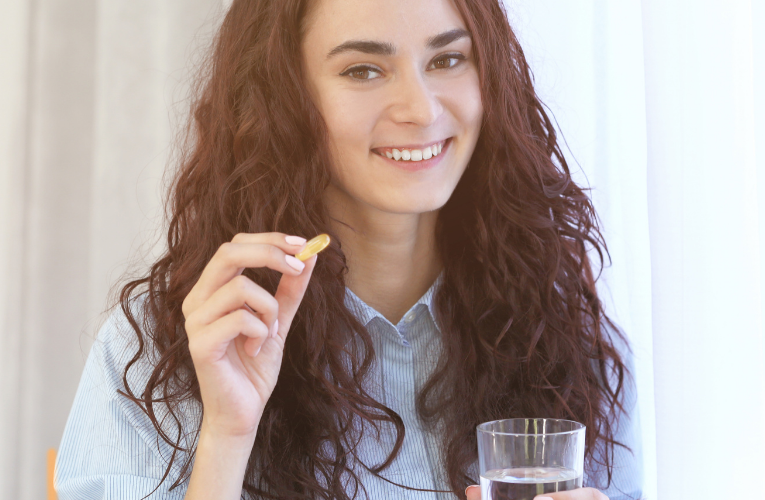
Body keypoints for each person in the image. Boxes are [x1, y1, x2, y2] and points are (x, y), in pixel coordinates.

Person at [55, 0, 643, 498]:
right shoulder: (173, 344)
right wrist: (227, 439)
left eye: (447, 59)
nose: (422, 109)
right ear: (281, 99)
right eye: (364, 70)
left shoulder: (568, 342)